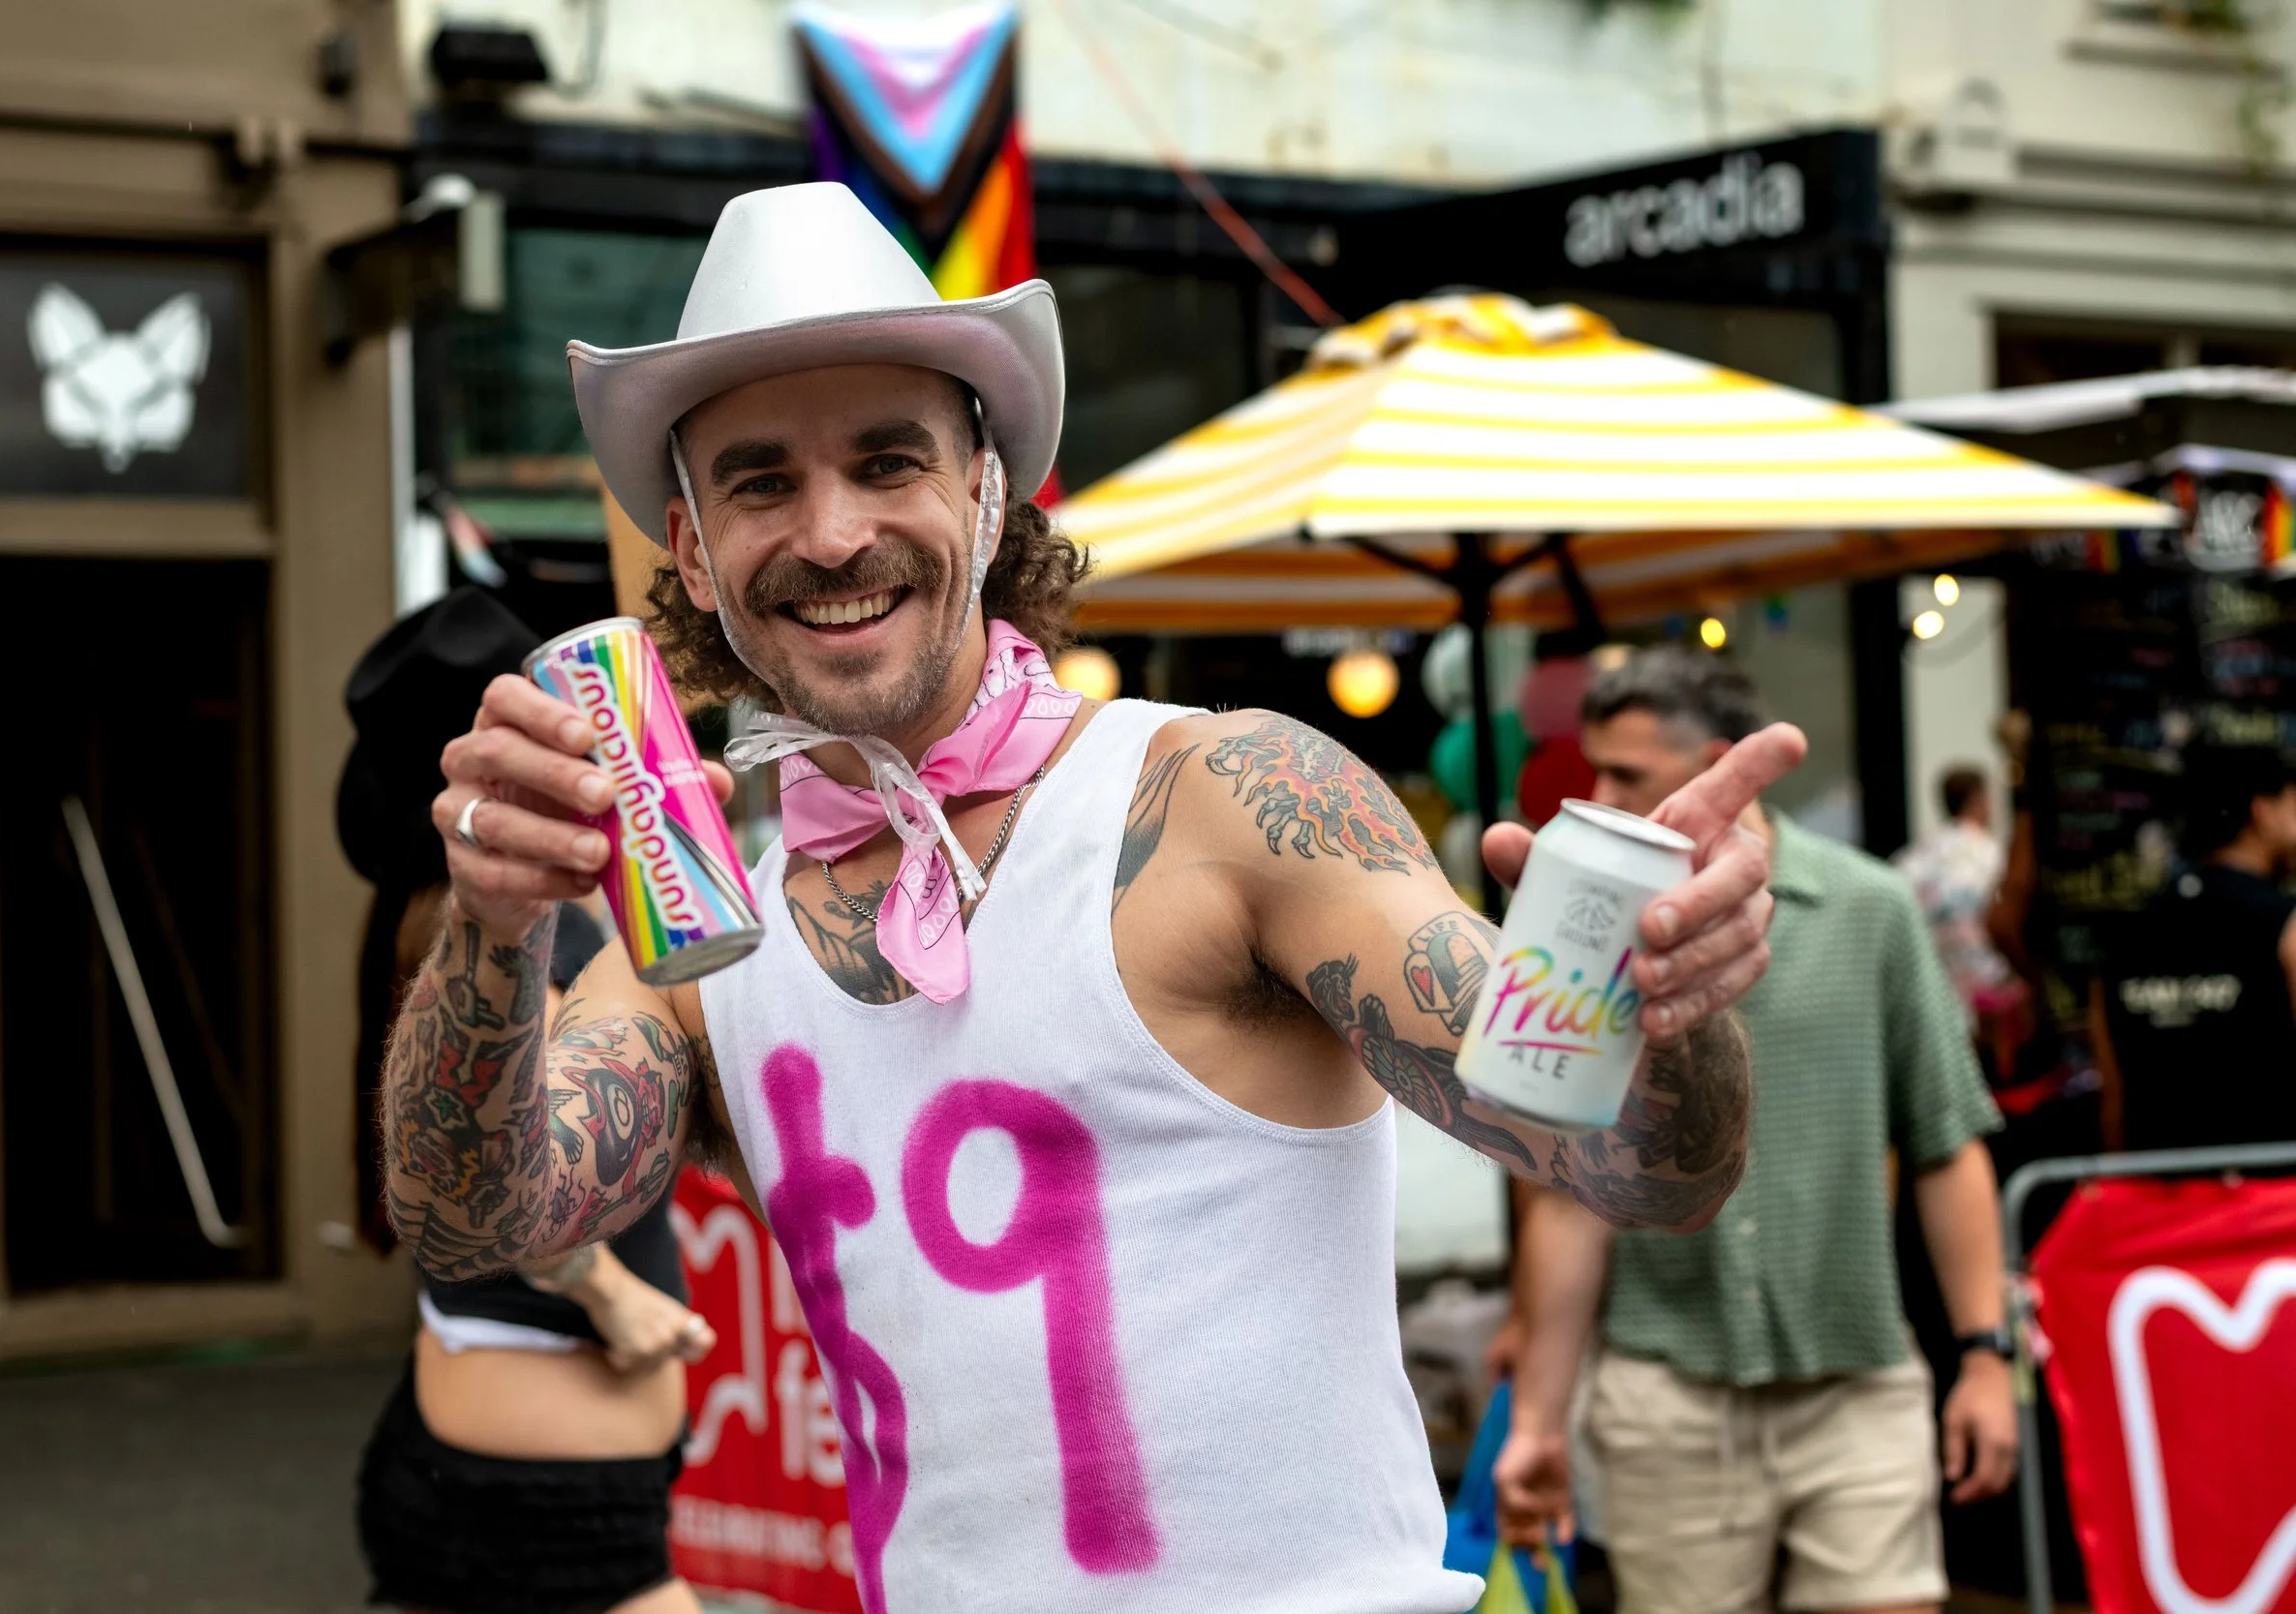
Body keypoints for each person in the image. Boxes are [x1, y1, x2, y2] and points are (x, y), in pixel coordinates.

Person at [381, 180, 1802, 1614]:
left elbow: (1646, 1168)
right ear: (690, 548)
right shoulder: (703, 945)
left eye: (890, 460)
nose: (829, 532)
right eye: (759, 481)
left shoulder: (1226, 801)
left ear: (989, 494)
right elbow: (471, 1223)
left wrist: (1665, 1001)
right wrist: (490, 929)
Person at [1495, 647, 2015, 1614]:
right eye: (1595, 767)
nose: (1600, 793)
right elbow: (1574, 1195)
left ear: (1718, 765)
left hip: (1856, 1379)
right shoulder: (1585, 930)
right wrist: (1537, 1413)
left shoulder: (1870, 909)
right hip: (1667, 1394)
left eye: (1628, 773)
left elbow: (1946, 1141)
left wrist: (1984, 1354)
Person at [340, 591, 716, 1614]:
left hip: (493, 1457)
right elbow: (496, 1161)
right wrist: (614, 1296)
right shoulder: (505, 941)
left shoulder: (438, 921)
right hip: (550, 1497)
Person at [2091, 744, 2296, 1153]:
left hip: (2157, 1200)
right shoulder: (2286, 925)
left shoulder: (2124, 932)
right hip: (2269, 1200)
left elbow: (2113, 1103)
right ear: (2263, 810)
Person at [1897, 763, 2024, 1027]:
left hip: (1935, 1000)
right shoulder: (1995, 857)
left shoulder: (1912, 860)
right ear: (1979, 799)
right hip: (1991, 1000)